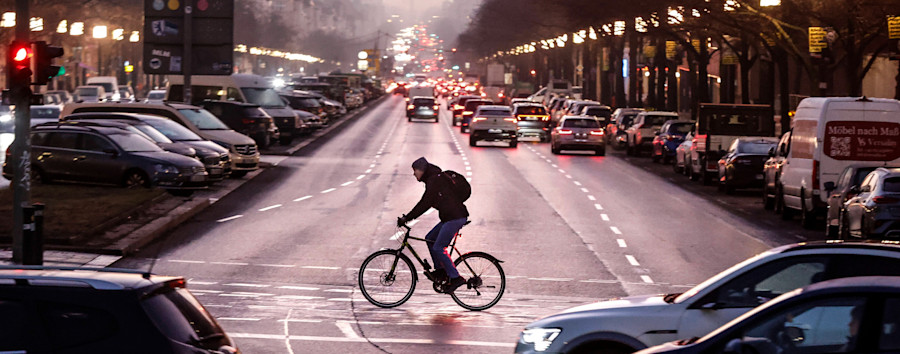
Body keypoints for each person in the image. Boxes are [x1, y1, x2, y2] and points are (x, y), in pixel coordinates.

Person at [397, 157, 469, 294]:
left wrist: (408, 217)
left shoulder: (434, 180)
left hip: (455, 218)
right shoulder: (433, 179)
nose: (414, 174)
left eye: (415, 171)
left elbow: (425, 203)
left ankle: (455, 278)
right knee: (430, 238)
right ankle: (441, 271)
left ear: (422, 170)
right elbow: (427, 202)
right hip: (449, 217)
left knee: (439, 247)